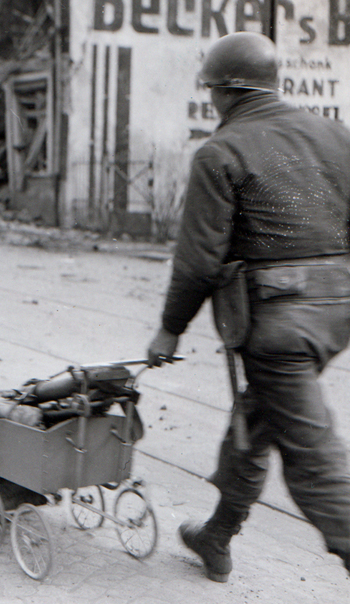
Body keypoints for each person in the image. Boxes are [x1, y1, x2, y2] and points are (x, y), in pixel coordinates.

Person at [147, 32, 350, 582]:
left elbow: (199, 261)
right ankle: (217, 534)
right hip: (336, 312)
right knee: (257, 417)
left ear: (225, 91)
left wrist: (169, 330)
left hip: (278, 324)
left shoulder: (222, 151)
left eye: (211, 91)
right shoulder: (335, 134)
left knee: (312, 460)